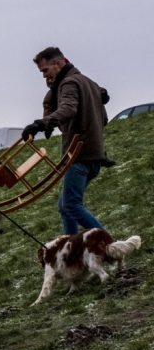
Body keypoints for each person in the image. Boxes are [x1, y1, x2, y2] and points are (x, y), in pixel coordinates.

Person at [21, 46, 112, 235]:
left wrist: (41, 124)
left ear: (59, 63)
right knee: (65, 206)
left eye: (45, 70)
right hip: (93, 156)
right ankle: (72, 252)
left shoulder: (68, 83)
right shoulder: (87, 82)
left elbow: (68, 109)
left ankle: (109, 244)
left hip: (79, 156)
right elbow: (103, 118)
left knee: (71, 205)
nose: (44, 76)